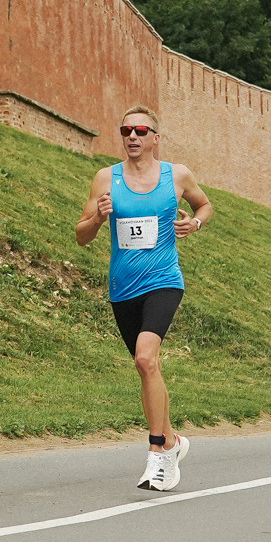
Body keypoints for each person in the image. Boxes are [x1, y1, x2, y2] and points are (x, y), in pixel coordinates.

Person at [76, 105, 213, 491]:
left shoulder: (176, 175)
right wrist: (98, 218)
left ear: (155, 138)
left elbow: (204, 205)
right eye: (126, 131)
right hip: (123, 287)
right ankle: (172, 440)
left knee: (145, 358)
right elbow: (81, 235)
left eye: (140, 130)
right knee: (146, 368)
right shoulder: (106, 178)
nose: (132, 137)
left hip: (164, 280)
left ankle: (158, 455)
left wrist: (195, 222)